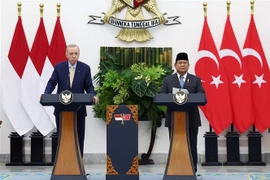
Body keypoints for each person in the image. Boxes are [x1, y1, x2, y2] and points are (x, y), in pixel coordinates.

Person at [44, 44, 99, 157]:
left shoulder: (85, 68)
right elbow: (52, 82)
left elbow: (89, 86)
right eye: (71, 53)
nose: (74, 56)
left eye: (76, 53)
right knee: (63, 136)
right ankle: (62, 165)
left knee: (79, 137)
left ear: (79, 54)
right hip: (61, 108)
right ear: (66, 55)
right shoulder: (59, 67)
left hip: (79, 109)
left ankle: (79, 166)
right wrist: (46, 95)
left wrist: (93, 95)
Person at [159, 52, 205, 174]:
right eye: (180, 63)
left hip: (192, 119)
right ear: (175, 65)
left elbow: (202, 95)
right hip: (174, 119)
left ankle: (192, 171)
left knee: (191, 145)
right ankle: (174, 170)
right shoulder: (168, 80)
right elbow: (161, 95)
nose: (182, 65)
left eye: (185, 63)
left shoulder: (195, 80)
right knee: (175, 145)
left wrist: (190, 97)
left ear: (188, 65)